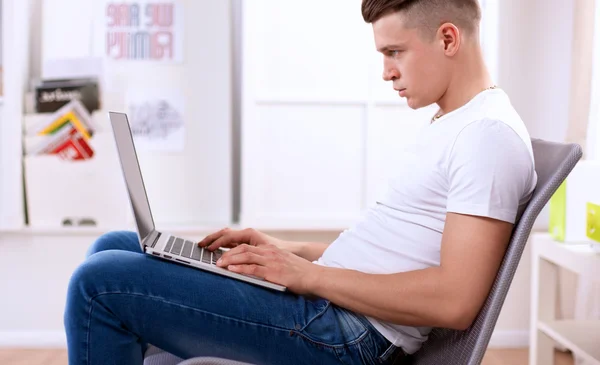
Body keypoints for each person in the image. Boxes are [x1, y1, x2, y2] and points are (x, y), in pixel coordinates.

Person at [64, 0, 537, 364]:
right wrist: (287, 250)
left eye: (395, 52)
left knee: (99, 284)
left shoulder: (486, 137)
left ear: (448, 39)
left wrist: (309, 277)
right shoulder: (452, 122)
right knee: (117, 245)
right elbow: (384, 253)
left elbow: (455, 300)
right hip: (331, 306)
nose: (387, 71)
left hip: (350, 336)